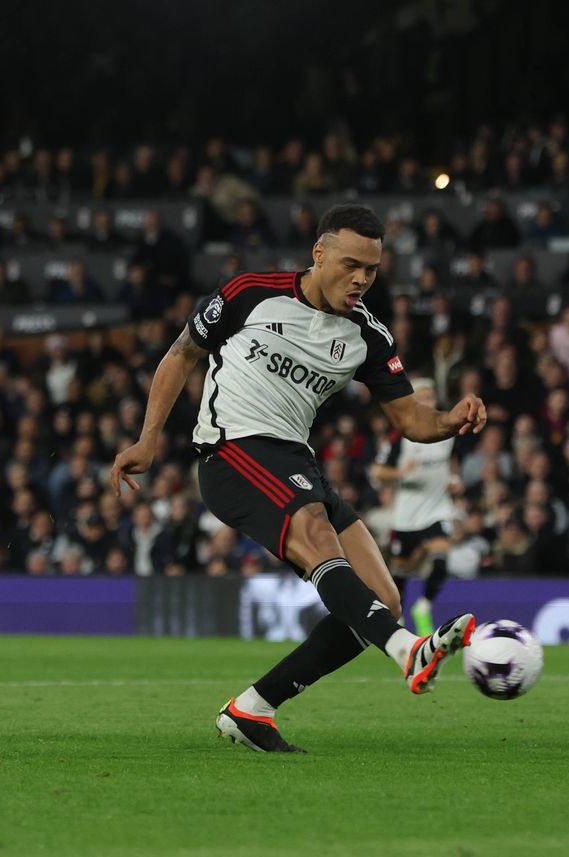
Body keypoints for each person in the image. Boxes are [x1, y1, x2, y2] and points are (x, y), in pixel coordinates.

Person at [110, 204, 488, 754]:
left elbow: (410, 420)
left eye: (373, 270)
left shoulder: (367, 336)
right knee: (317, 533)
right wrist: (148, 438)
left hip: (295, 463)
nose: (361, 279)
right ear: (319, 253)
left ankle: (252, 709)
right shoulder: (250, 292)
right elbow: (182, 353)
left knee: (381, 596)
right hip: (231, 452)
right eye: (351, 264)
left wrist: (450, 419)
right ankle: (408, 652)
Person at [368, 379, 459, 636]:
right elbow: (377, 472)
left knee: (441, 560)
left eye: (431, 396)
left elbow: (452, 461)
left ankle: (424, 606)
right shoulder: (400, 437)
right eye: (423, 396)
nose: (429, 401)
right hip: (407, 514)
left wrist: (455, 480)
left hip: (436, 508)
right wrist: (399, 472)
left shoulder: (446, 431)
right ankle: (398, 621)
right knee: (400, 574)